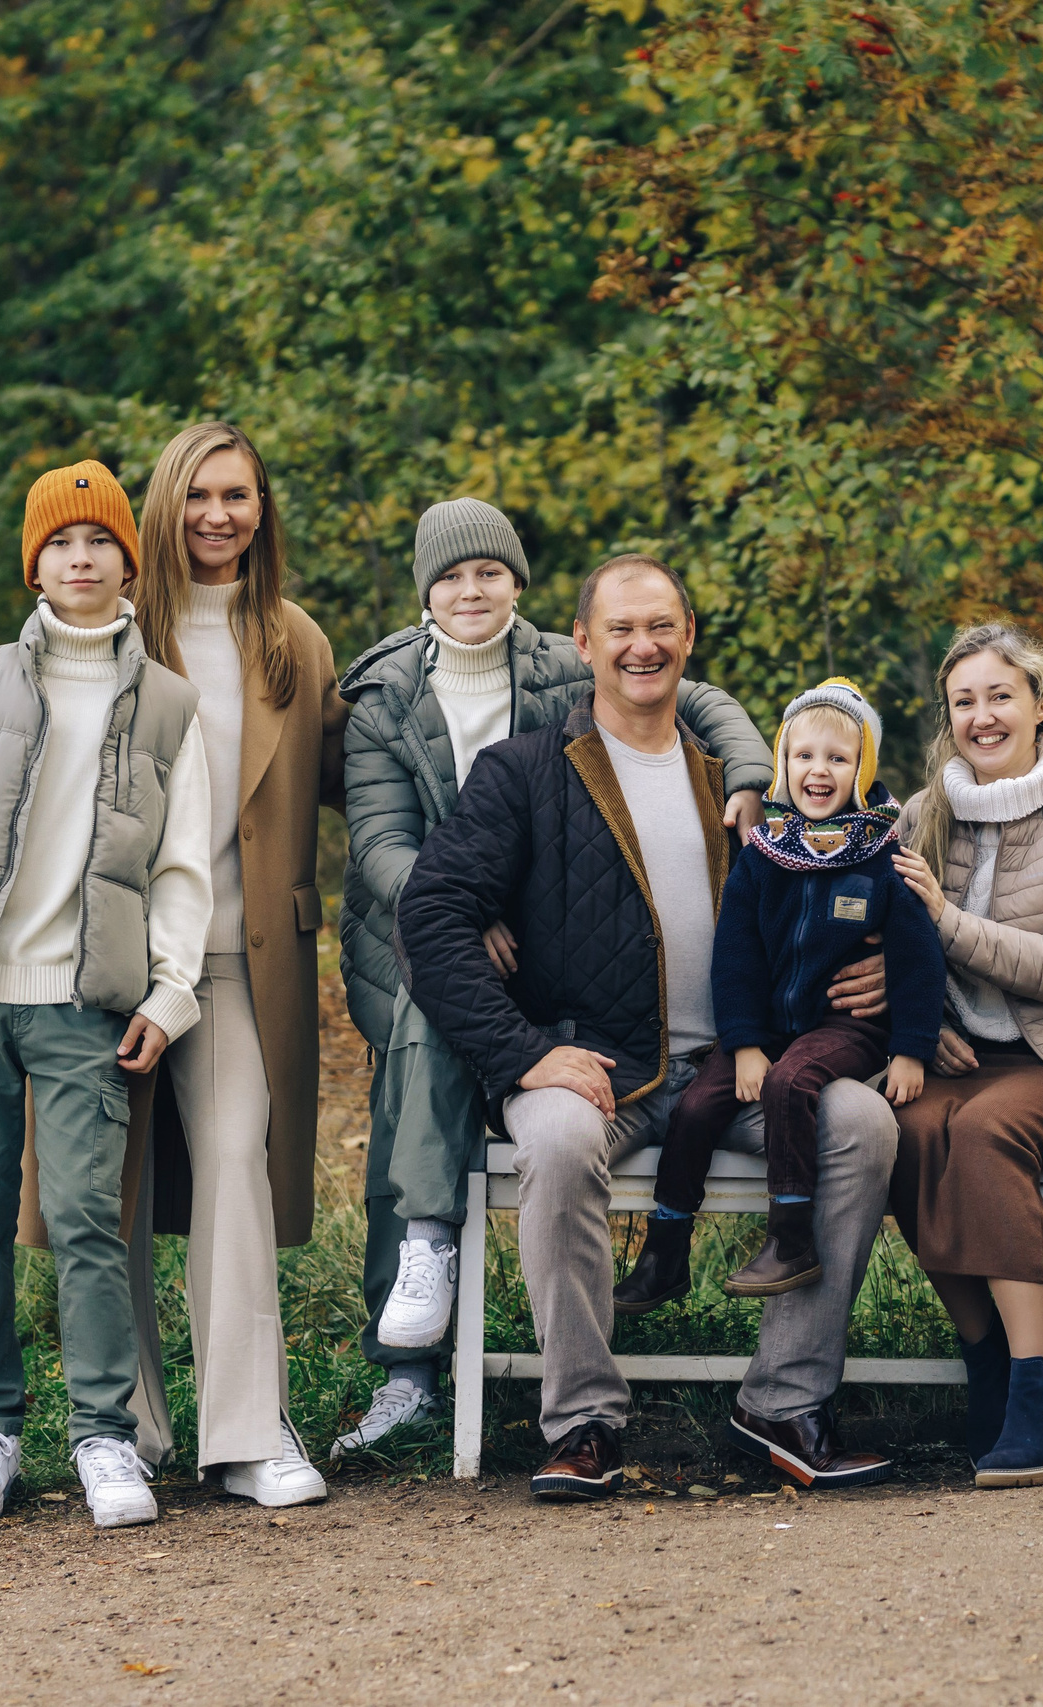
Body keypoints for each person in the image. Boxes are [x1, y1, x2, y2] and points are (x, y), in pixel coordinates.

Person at [397, 554, 900, 1496]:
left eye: (661, 626)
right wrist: (524, 1053)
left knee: (862, 1124)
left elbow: (847, 897)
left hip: (739, 1063)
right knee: (554, 1139)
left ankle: (783, 1402)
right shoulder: (525, 772)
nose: (643, 646)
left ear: (689, 637)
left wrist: (878, 966)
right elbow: (429, 915)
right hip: (595, 1063)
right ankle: (584, 1418)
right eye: (620, 629)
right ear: (583, 644)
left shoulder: (742, 787)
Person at [0, 422, 347, 1505]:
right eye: (198, 494)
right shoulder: (117, 615)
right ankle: (132, 1426)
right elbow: (4, 724)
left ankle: (248, 1428)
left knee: (233, 1161)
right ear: (157, 511)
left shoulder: (293, 639)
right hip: (98, 959)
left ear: (262, 510)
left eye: (238, 495)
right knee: (110, 1191)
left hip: (236, 957)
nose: (217, 515)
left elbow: (367, 754)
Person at [331, 499, 772, 1456]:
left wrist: (748, 770)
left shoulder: (561, 663)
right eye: (451, 576)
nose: (471, 589)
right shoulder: (386, 695)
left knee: (849, 1124)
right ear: (424, 593)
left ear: (519, 585)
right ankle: (421, 1305)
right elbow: (383, 843)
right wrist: (477, 914)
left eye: (490, 571)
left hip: (547, 938)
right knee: (432, 1037)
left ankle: (784, 1402)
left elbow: (696, 699)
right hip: (433, 929)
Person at [0, 463, 212, 1530]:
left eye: (99, 540)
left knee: (84, 1222)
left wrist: (172, 990)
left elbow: (182, 865)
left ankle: (104, 1435)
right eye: (59, 543)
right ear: (35, 564)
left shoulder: (170, 704)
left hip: (84, 1004)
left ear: (128, 561)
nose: (80, 558)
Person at [885, 625, 1043, 1489]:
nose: (983, 716)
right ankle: (988, 1360)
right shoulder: (925, 813)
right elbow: (892, 945)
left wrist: (949, 922)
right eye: (964, 701)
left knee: (982, 1134)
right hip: (957, 1055)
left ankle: (1038, 1392)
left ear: (1041, 703)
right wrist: (924, 1023)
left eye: (1001, 696)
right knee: (903, 1130)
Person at [617, 679, 945, 1310]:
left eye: (838, 758)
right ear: (783, 764)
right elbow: (735, 959)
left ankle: (790, 1237)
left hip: (845, 1026)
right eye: (803, 756)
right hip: (766, 1025)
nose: (818, 770)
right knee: (696, 1106)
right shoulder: (763, 855)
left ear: (862, 770)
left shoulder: (881, 857)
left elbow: (917, 960)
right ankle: (666, 1249)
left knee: (791, 1081)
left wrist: (911, 1049)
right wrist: (742, 1044)